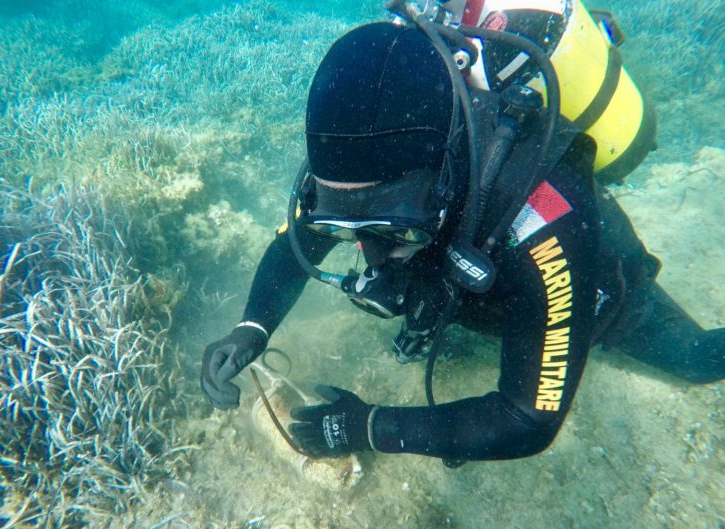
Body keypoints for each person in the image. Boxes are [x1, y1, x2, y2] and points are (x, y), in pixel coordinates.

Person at [200, 15, 725, 464]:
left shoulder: (540, 221)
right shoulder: (343, 175)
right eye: (345, 225)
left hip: (600, 295)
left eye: (393, 228)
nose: (371, 254)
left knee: (698, 361)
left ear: (445, 176)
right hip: (467, 280)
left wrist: (369, 428)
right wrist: (252, 326)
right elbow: (297, 244)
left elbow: (526, 420)